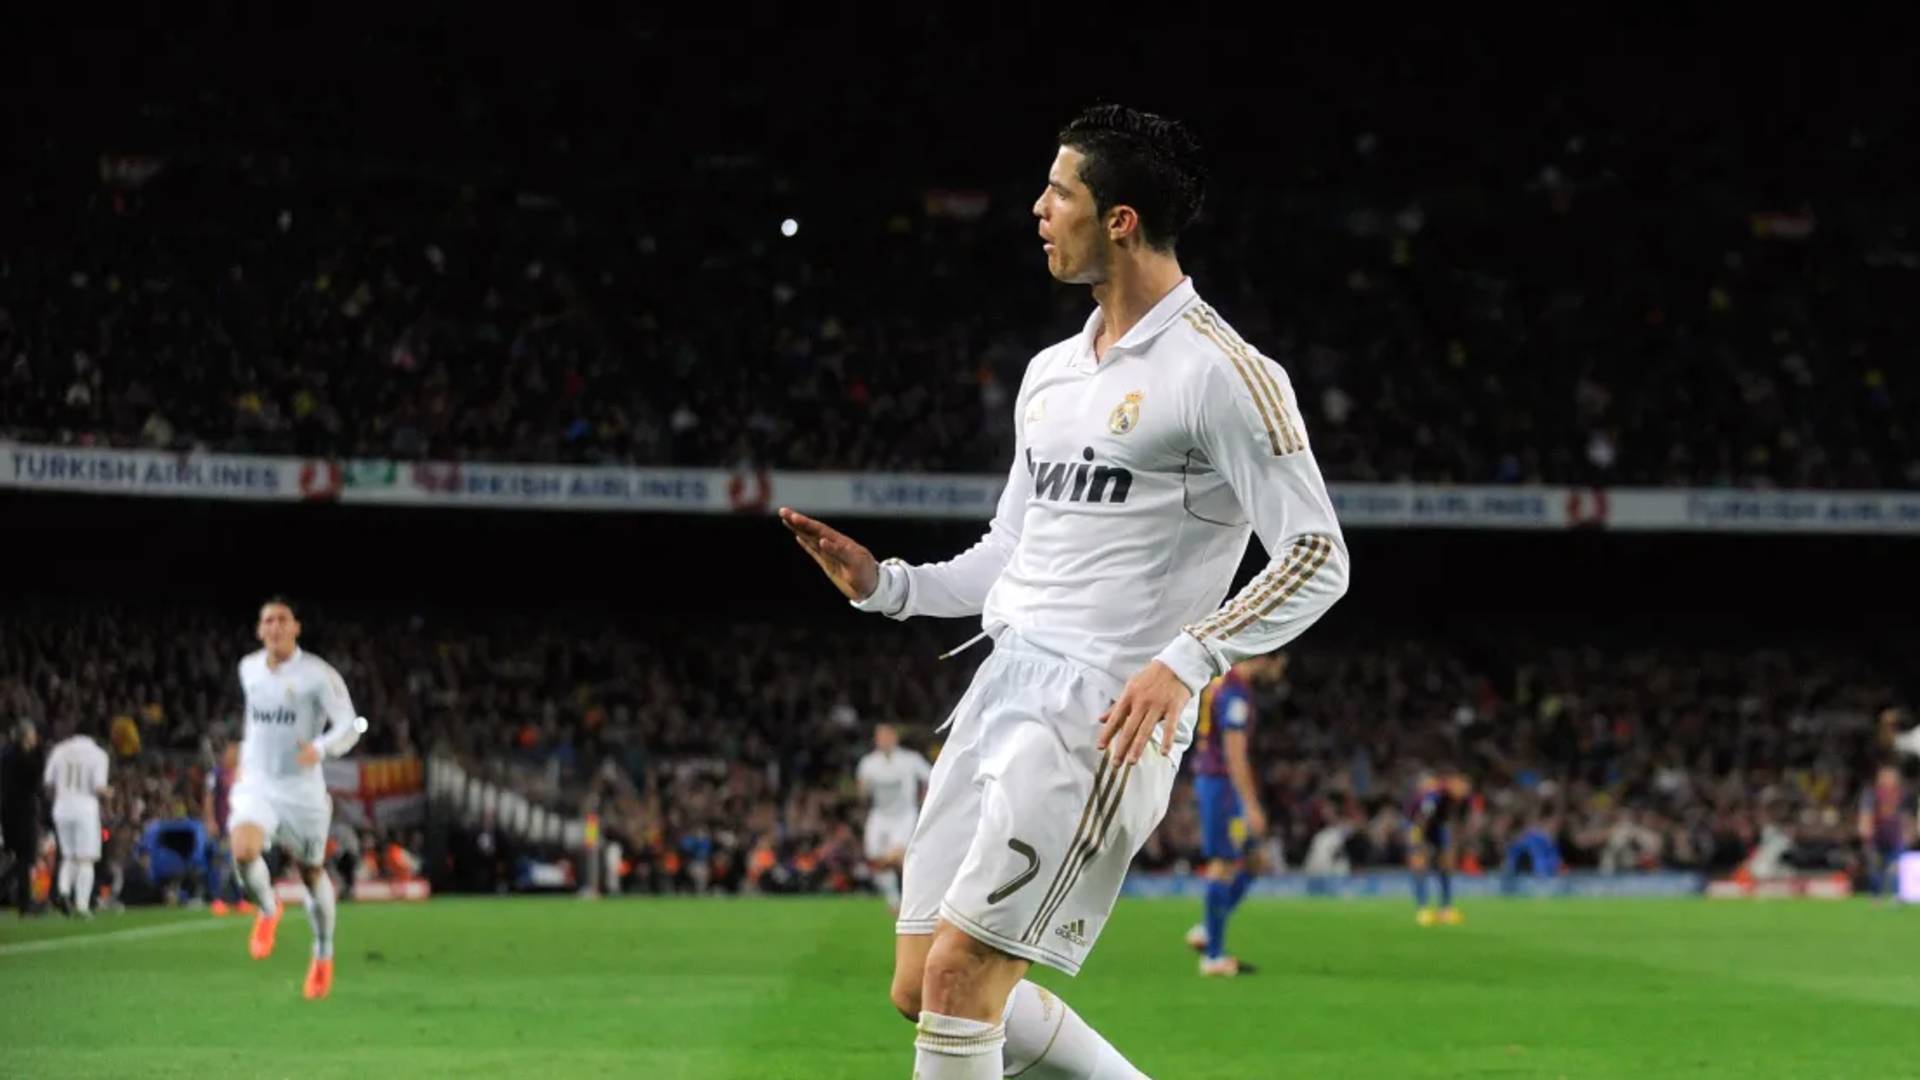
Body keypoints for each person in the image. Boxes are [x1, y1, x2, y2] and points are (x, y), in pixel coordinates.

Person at [781, 103, 1349, 1079]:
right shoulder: (1049, 376)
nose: (1038, 209)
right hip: (1000, 687)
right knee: (920, 986)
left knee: (963, 982)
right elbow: (1013, 549)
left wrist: (1187, 659)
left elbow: (1316, 554)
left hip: (1102, 708)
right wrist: (889, 587)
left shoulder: (1222, 374)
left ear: (1119, 219)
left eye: (1060, 191)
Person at [227, 597, 366, 1000]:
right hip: (259, 785)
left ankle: (323, 953)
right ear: (259, 629)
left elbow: (351, 724)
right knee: (243, 848)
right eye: (267, 620)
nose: (274, 627)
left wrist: (320, 749)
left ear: (296, 628)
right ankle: (269, 909)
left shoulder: (317, 675)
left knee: (311, 872)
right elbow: (256, 722)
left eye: (282, 620)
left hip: (302, 790)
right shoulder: (248, 668)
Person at [1181, 652, 1288, 976]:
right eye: (1281, 665)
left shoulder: (1220, 682)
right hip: (1222, 785)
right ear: (1267, 658)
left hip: (1218, 781)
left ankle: (1207, 929)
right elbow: (1234, 751)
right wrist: (1251, 804)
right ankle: (1213, 957)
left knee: (1255, 861)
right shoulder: (1235, 692)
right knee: (1223, 865)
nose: (1280, 674)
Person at [856, 723, 933, 916]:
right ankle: (894, 900)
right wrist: (862, 790)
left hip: (904, 816)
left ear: (894, 738)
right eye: (880, 737)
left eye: (887, 736)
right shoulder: (868, 763)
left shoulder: (910, 759)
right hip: (880, 816)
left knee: (897, 855)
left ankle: (917, 896)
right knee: (876, 858)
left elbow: (932, 777)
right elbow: (862, 791)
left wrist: (926, 798)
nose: (884, 740)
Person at [43, 721, 111, 918]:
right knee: (86, 859)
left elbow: (48, 783)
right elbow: (98, 787)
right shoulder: (98, 754)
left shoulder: (59, 750)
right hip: (84, 808)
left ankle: (63, 893)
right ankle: (82, 905)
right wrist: (109, 793)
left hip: (62, 807)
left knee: (68, 856)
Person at [1408, 770, 1470, 926]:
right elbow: (1421, 819)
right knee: (1420, 865)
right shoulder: (1434, 796)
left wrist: (1452, 847)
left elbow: (1456, 821)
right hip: (1418, 826)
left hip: (1439, 828)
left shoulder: (1462, 799)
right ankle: (1422, 910)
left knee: (1446, 866)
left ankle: (1445, 910)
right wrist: (1419, 844)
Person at [1, 720, 48, 916]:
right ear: (27, 736)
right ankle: (24, 903)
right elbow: (37, 777)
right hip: (23, 812)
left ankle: (24, 901)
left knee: (17, 858)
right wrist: (38, 751)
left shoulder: (5, 755)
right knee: (25, 859)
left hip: (7, 812)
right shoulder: (25, 758)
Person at [1858, 765, 1909, 904]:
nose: (1889, 779)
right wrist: (1864, 827)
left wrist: (1906, 832)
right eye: (1886, 776)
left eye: (1892, 776)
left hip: (1895, 837)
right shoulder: (1872, 793)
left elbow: (1904, 816)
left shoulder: (1901, 794)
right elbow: (1866, 812)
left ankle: (1896, 895)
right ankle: (1876, 895)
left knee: (1896, 868)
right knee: (1875, 868)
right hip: (1876, 837)